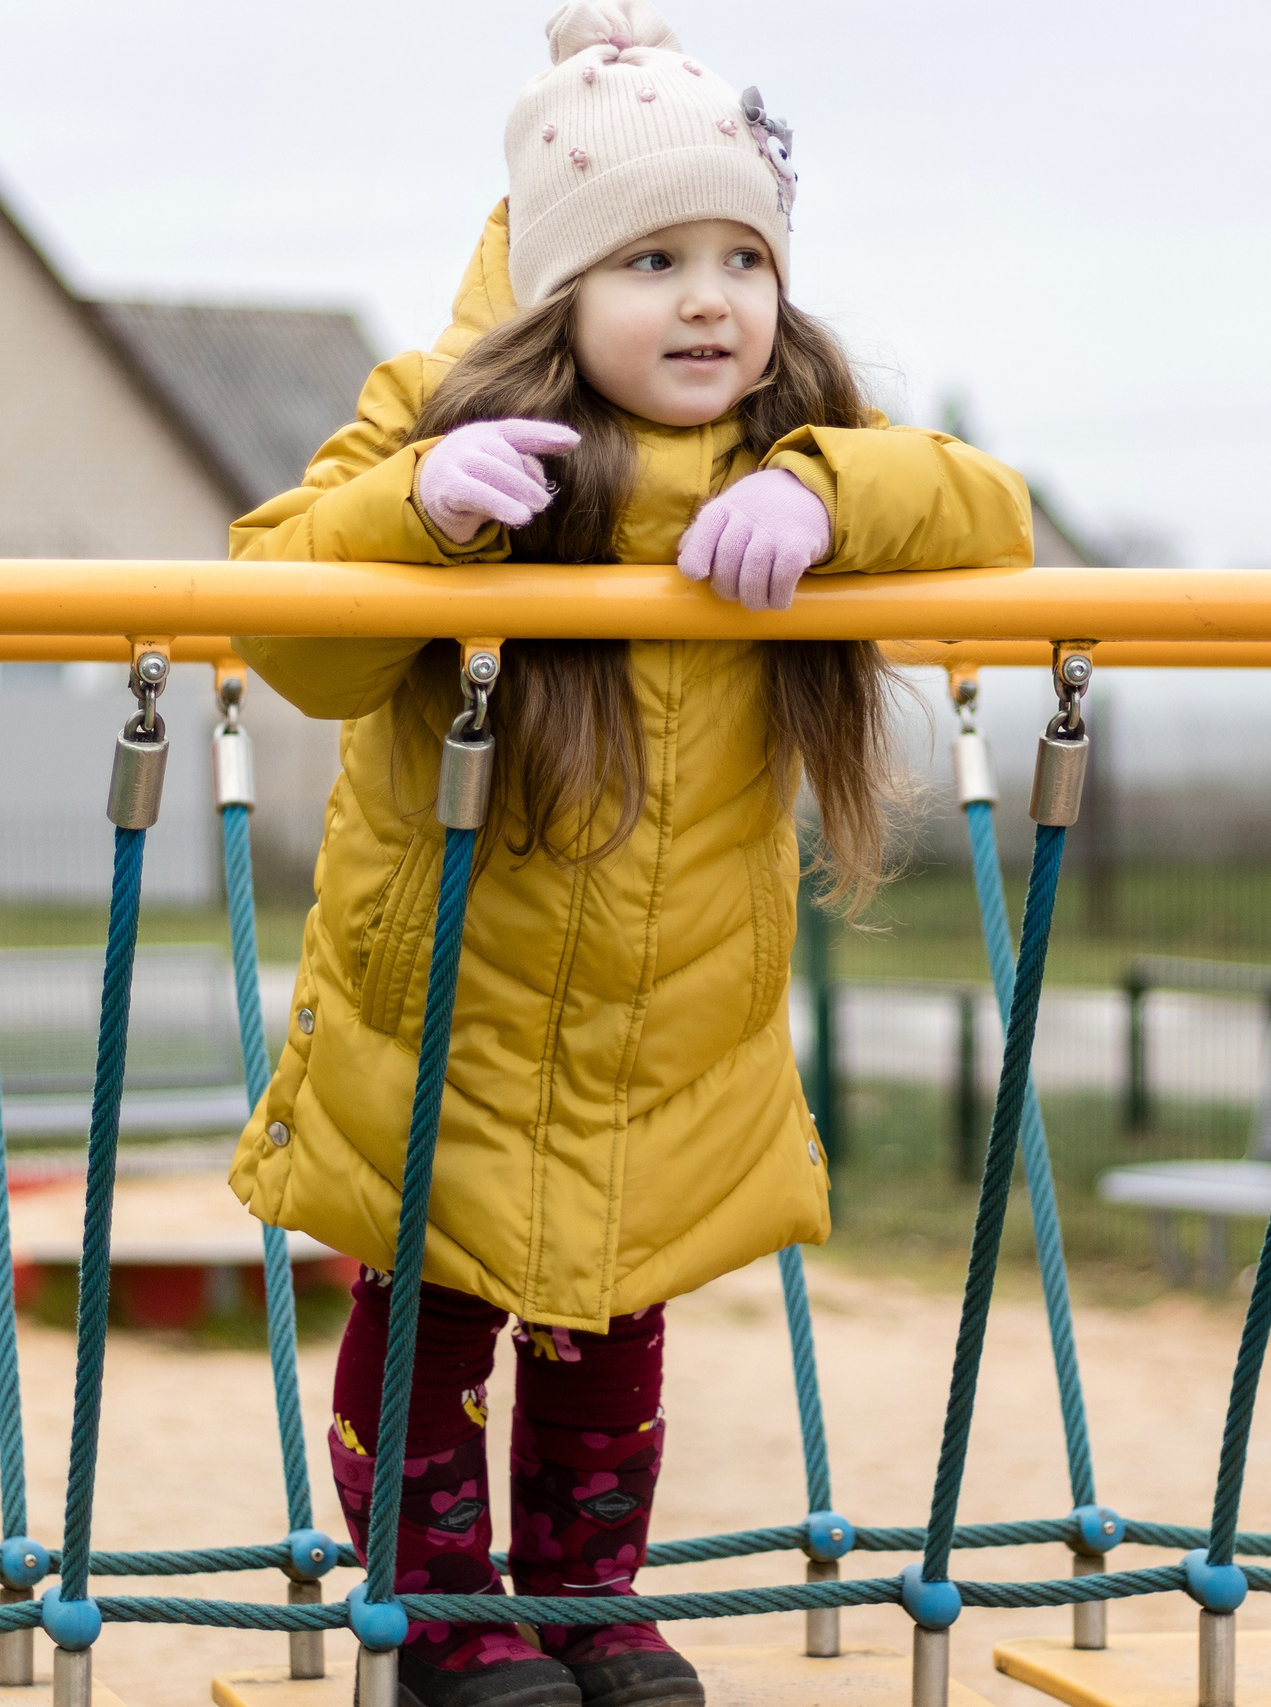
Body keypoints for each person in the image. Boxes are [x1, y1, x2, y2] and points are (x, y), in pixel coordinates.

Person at [228, 4, 1031, 1702]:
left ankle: (590, 1605)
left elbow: (987, 510)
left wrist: (827, 494)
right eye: (654, 256)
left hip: (665, 1029)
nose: (710, 297)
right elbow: (284, 623)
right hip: (449, 999)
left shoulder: (788, 451)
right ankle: (441, 1613)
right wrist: (419, 510)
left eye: (743, 254)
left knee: (612, 1330)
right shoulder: (434, 419)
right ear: (556, 287)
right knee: (433, 1318)